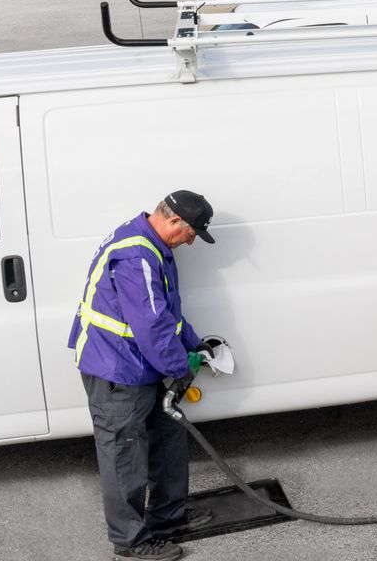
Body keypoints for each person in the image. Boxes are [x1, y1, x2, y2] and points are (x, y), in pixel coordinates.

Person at [70, 191, 226, 560]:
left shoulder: (154, 244)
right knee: (125, 455)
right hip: (116, 368)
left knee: (168, 435)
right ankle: (131, 541)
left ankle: (167, 517)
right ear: (174, 221)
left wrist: (194, 344)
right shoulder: (137, 253)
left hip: (140, 364)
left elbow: (167, 310)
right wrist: (179, 367)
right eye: (191, 233)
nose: (191, 241)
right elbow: (152, 325)